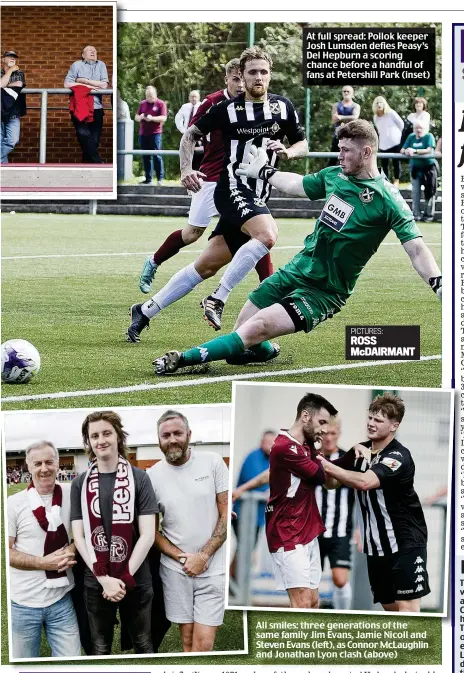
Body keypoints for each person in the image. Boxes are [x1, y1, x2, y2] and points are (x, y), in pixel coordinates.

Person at [153, 119, 442, 375]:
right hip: (296, 270)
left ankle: (184, 358)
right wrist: (264, 172)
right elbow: (298, 184)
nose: (339, 155)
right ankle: (267, 351)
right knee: (241, 340)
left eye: (346, 151)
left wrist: (438, 283)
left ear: (366, 152)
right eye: (339, 149)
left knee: (256, 328)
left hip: (326, 290)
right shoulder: (334, 176)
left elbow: (416, 248)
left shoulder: (388, 199)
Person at [127, 46, 307, 342]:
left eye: (263, 72)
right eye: (252, 72)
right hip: (232, 189)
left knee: (206, 265)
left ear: (270, 75)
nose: (258, 77)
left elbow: (303, 143)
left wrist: (288, 152)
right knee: (267, 235)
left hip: (259, 196)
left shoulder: (283, 107)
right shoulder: (226, 109)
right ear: (241, 76)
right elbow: (190, 135)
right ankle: (218, 298)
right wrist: (186, 169)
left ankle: (144, 311)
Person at [138, 59, 272, 295]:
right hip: (212, 178)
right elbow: (189, 136)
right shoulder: (212, 103)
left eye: (244, 79)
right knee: (192, 233)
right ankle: (154, 261)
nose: (241, 84)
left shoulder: (258, 103)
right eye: (235, 79)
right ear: (227, 79)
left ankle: (268, 286)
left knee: (257, 228)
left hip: (241, 178)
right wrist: (186, 169)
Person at [318, 393, 430, 613]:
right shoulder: (360, 450)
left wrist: (325, 463)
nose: (371, 423)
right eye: (370, 418)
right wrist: (342, 457)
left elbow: (364, 482)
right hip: (376, 547)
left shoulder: (398, 456)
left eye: (378, 420)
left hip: (405, 543)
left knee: (407, 610)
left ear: (394, 426)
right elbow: (330, 484)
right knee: (390, 607)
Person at [71, 411, 157, 655]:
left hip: (136, 577)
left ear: (118, 436)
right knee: (99, 647)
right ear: (88, 442)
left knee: (143, 643)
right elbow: (79, 537)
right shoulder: (80, 483)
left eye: (107, 433)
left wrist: (122, 577)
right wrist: (104, 579)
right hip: (96, 579)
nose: (101, 440)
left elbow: (148, 534)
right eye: (94, 435)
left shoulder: (139, 478)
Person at [147, 409, 228, 652]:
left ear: (189, 434)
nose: (172, 439)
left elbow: (226, 514)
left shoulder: (213, 462)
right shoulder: (151, 476)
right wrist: (185, 559)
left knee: (204, 644)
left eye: (177, 433)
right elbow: (152, 533)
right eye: (165, 435)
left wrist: (203, 556)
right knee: (187, 640)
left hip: (213, 568)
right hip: (176, 570)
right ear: (158, 440)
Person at [8, 440, 81, 659]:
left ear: (58, 464)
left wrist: (72, 549)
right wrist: (43, 563)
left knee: (72, 662)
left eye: (49, 462)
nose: (44, 468)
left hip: (62, 599)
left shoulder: (71, 493)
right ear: (27, 466)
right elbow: (6, 551)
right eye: (37, 463)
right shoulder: (13, 503)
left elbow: (83, 534)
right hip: (23, 603)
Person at [265, 393, 337, 608]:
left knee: (314, 602)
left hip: (307, 531)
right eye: (322, 422)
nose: (324, 430)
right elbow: (320, 477)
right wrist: (351, 457)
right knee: (302, 603)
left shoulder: (306, 446)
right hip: (287, 531)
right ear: (305, 416)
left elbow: (330, 481)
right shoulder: (284, 447)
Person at [315, 417, 355, 611]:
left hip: (340, 530)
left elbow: (362, 494)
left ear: (339, 433)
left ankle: (342, 616)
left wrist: (361, 528)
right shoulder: (310, 457)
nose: (329, 438)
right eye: (325, 433)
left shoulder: (349, 460)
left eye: (333, 433)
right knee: (309, 583)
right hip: (312, 532)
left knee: (340, 579)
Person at [231, 430, 276, 549]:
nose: (270, 445)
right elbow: (254, 481)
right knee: (244, 551)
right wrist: (268, 491)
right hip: (243, 513)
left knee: (246, 551)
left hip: (259, 516)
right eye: (267, 442)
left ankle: (237, 568)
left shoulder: (273, 460)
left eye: (273, 443)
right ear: (261, 442)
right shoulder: (253, 457)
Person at [64, 45, 109, 163]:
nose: (93, 52)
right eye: (89, 50)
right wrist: (91, 87)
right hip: (79, 107)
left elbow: (104, 85)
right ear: (83, 55)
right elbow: (67, 84)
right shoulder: (77, 65)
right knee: (83, 134)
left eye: (95, 50)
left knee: (94, 141)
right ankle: (98, 162)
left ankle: (86, 165)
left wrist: (84, 81)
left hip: (97, 107)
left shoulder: (101, 65)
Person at [401, 122, 437, 221]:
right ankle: (415, 214)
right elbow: (402, 149)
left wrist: (415, 151)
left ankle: (428, 215)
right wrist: (406, 151)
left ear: (425, 129)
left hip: (429, 168)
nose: (418, 130)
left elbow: (429, 150)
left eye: (420, 128)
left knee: (430, 192)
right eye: (416, 128)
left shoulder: (429, 136)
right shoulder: (411, 137)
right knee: (415, 192)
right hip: (416, 168)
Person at [135, 86, 168, 185]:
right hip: (143, 134)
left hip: (155, 134)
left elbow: (163, 118)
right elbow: (136, 117)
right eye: (148, 96)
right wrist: (140, 117)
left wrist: (152, 118)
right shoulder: (142, 104)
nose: (149, 97)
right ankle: (148, 179)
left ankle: (160, 179)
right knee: (146, 156)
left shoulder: (161, 104)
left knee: (157, 155)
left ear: (155, 94)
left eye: (151, 95)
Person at [372, 96, 404, 187]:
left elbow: (401, 124)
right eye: (377, 103)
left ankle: (396, 180)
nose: (379, 104)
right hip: (383, 143)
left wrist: (396, 135)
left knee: (396, 162)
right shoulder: (375, 117)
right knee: (384, 163)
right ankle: (385, 181)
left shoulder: (391, 113)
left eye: (381, 102)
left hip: (395, 142)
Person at [1, 50, 26, 164]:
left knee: (12, 141)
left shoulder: (19, 72)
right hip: (0, 111)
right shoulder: (12, 71)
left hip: (13, 113)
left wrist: (4, 83)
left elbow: (18, 84)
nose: (12, 59)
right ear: (3, 60)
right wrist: (11, 70)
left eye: (14, 57)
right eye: (9, 56)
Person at [328, 86, 360, 166]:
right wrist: (348, 118)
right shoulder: (336, 105)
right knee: (333, 159)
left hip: (351, 136)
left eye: (348, 91)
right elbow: (334, 119)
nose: (346, 93)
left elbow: (355, 117)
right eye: (344, 91)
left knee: (351, 158)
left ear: (352, 94)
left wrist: (341, 117)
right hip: (338, 136)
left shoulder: (356, 106)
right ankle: (327, 177)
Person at [175, 90, 202, 171]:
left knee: (197, 156)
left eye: (195, 96)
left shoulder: (202, 106)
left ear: (199, 97)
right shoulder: (185, 107)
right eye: (192, 96)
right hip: (187, 134)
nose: (193, 98)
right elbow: (178, 118)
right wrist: (183, 130)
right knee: (186, 156)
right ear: (189, 98)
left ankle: (197, 175)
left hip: (198, 135)